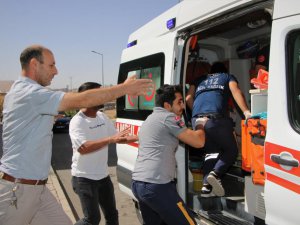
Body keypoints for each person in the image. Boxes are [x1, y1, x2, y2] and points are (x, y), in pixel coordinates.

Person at [0, 45, 153, 225]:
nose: (56, 71)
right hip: (19, 189)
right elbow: (82, 100)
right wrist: (124, 89)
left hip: (38, 188)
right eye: (51, 65)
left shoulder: (28, 94)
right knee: (92, 219)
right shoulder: (29, 93)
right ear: (34, 64)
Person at [131, 84, 206, 225]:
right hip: (157, 186)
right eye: (179, 102)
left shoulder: (151, 118)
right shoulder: (169, 118)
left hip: (139, 184)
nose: (183, 106)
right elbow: (198, 142)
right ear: (167, 105)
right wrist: (200, 123)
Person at [69, 82, 138, 225]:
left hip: (103, 177)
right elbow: (83, 147)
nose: (103, 97)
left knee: (112, 215)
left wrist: (141, 137)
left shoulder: (101, 117)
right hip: (84, 179)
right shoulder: (77, 121)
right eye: (99, 94)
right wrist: (110, 139)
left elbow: (117, 137)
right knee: (92, 220)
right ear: (87, 98)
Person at [186, 61, 251, 197]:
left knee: (211, 152)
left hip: (197, 120)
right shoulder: (227, 77)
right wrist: (246, 112)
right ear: (224, 70)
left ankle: (206, 186)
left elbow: (188, 98)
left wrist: (198, 113)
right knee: (231, 150)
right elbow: (236, 91)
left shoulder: (199, 80)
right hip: (215, 119)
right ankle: (215, 173)